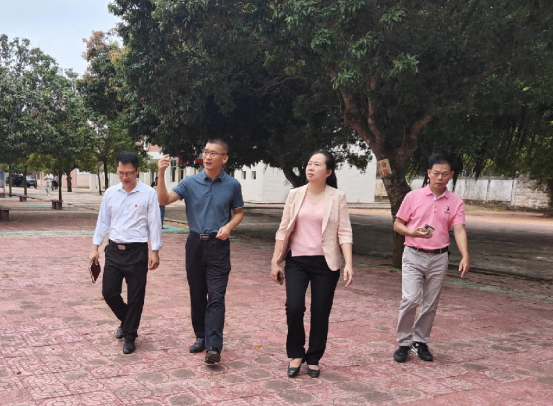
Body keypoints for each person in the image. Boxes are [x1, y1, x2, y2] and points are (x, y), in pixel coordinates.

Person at [157, 139, 244, 364]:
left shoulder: (233, 185)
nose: (207, 157)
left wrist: (229, 226)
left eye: (213, 153)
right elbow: (163, 199)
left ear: (224, 158)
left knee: (216, 296)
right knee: (197, 294)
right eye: (205, 152)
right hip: (195, 244)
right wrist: (161, 173)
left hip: (219, 246)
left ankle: (214, 346)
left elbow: (238, 213)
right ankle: (201, 336)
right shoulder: (190, 183)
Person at [270, 150, 353, 379]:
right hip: (297, 260)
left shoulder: (337, 197)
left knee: (320, 311)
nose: (311, 168)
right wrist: (275, 261)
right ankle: (296, 353)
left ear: (328, 172)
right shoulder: (295, 194)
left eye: (317, 165)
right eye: (309, 164)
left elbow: (344, 231)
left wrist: (348, 263)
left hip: (326, 263)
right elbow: (283, 229)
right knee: (294, 307)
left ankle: (314, 357)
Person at [392, 154, 470, 363]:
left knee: (430, 303)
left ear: (451, 175)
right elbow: (397, 224)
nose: (440, 178)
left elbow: (459, 229)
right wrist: (412, 232)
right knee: (410, 299)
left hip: (439, 257)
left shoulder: (455, 202)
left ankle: (421, 341)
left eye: (445, 174)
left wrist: (465, 255)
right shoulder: (413, 197)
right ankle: (404, 342)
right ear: (428, 173)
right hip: (413, 254)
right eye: (436, 173)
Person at [89, 152, 162, 355]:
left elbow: (154, 223)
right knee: (109, 292)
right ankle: (127, 320)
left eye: (129, 173)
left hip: (137, 251)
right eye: (121, 173)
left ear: (137, 170)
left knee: (135, 296)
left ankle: (130, 336)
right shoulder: (111, 193)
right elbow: (103, 221)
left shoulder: (148, 193)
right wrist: (95, 247)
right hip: (114, 250)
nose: (124, 177)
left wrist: (155, 250)